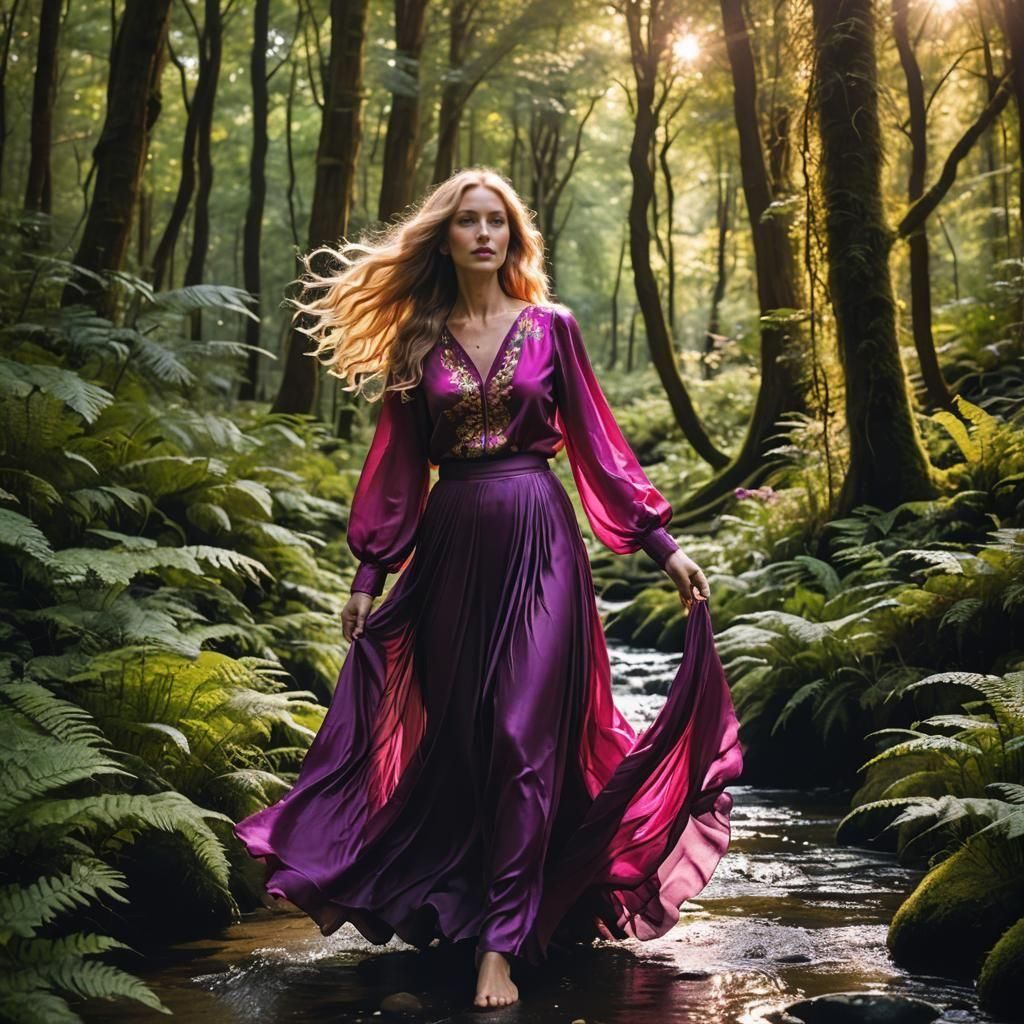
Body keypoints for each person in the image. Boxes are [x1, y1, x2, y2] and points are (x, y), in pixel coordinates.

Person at [233, 167, 744, 1010]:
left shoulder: (553, 329)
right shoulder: (416, 346)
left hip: (540, 539)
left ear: (513, 237)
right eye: (466, 221)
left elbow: (599, 450)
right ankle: (472, 909)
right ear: (445, 237)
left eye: (495, 221)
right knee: (466, 742)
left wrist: (662, 546)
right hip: (450, 549)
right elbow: (397, 468)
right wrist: (370, 574)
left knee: (520, 736)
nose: (482, 233)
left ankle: (500, 950)